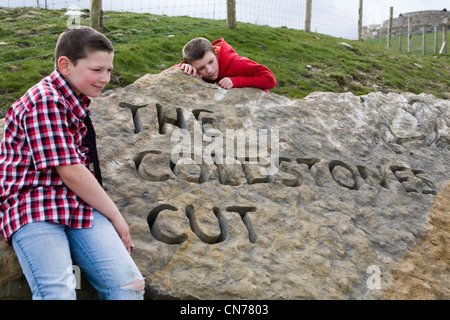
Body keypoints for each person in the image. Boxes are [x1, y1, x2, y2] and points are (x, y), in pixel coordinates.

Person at [0, 26, 144, 300]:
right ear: (65, 65)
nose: (106, 78)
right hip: (35, 206)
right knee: (59, 293)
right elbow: (71, 172)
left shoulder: (74, 100)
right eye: (97, 69)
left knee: (129, 286)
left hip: (75, 204)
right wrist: (116, 217)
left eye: (109, 70)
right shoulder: (45, 101)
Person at [176, 37, 276, 91]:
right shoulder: (193, 67)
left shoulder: (236, 63)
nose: (209, 70)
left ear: (215, 53)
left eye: (211, 62)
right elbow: (163, 76)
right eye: (201, 68)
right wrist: (182, 67)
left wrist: (237, 81)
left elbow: (270, 80)